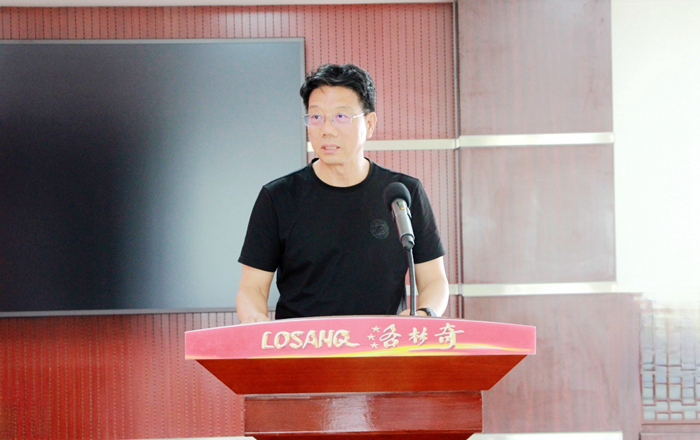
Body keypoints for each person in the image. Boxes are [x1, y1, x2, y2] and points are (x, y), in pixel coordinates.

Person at [236, 63, 449, 323]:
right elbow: (253, 288)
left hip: (382, 343)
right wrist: (255, 319)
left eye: (340, 116)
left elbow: (434, 280)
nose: (326, 129)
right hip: (303, 345)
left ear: (369, 124)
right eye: (316, 117)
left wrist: (426, 312)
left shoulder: (402, 194)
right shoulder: (278, 197)